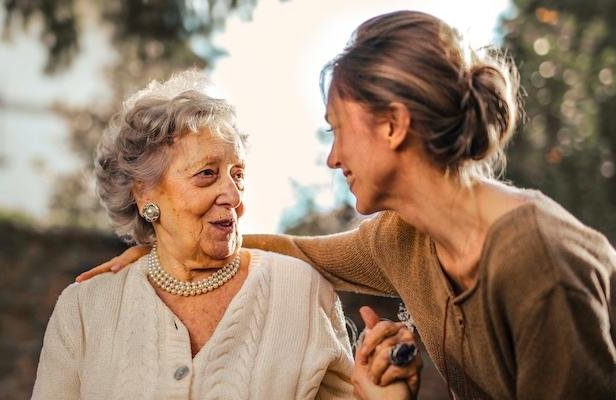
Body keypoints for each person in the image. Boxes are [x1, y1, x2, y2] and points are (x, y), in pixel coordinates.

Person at [77, 11, 616, 399]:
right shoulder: (402, 238)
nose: (333, 158)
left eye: (337, 130)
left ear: (393, 125)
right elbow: (299, 252)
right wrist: (170, 249)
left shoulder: (538, 263)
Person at [32, 71, 419, 399]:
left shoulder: (300, 290)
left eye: (238, 175)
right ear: (144, 193)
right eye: (207, 174)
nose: (233, 197)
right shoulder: (84, 310)